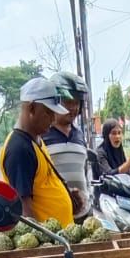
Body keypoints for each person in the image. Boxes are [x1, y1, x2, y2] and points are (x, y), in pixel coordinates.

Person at [0, 76, 74, 227]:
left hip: (63, 236)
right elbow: (25, 212)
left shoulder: (35, 139)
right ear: (32, 108)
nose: (53, 119)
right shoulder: (19, 149)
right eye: (48, 112)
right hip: (51, 244)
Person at [42, 72, 91, 220]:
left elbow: (84, 170)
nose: (73, 107)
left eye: (77, 103)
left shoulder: (80, 135)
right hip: (54, 217)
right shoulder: (42, 135)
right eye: (68, 102)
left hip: (82, 213)